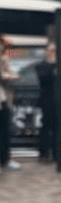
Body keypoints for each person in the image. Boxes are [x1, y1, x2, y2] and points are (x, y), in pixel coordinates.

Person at [0, 37, 20, 172]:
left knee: (5, 132)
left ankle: (5, 160)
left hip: (5, 100)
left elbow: (14, 76)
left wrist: (8, 75)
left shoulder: (4, 60)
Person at [35, 41, 58, 163]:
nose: (52, 53)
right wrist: (52, 64)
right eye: (50, 50)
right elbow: (44, 79)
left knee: (58, 127)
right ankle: (43, 154)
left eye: (54, 51)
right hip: (47, 101)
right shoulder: (41, 65)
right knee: (45, 127)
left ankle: (57, 153)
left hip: (59, 100)